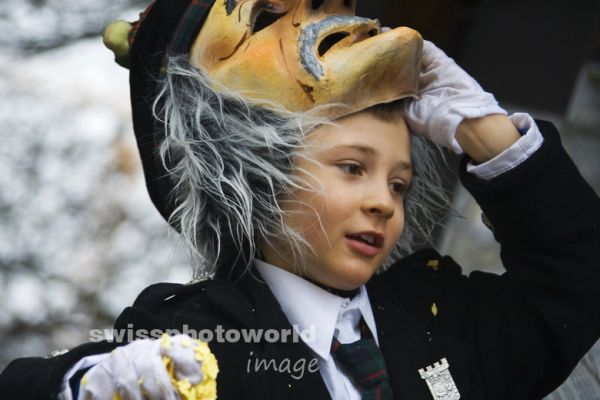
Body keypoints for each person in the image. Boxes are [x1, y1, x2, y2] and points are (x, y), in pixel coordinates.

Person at [1, 0, 599, 399]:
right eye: (351, 168)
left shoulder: (439, 315)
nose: (383, 203)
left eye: (399, 182)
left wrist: (483, 128)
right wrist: (82, 384)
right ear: (256, 170)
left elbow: (576, 282)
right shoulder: (191, 331)